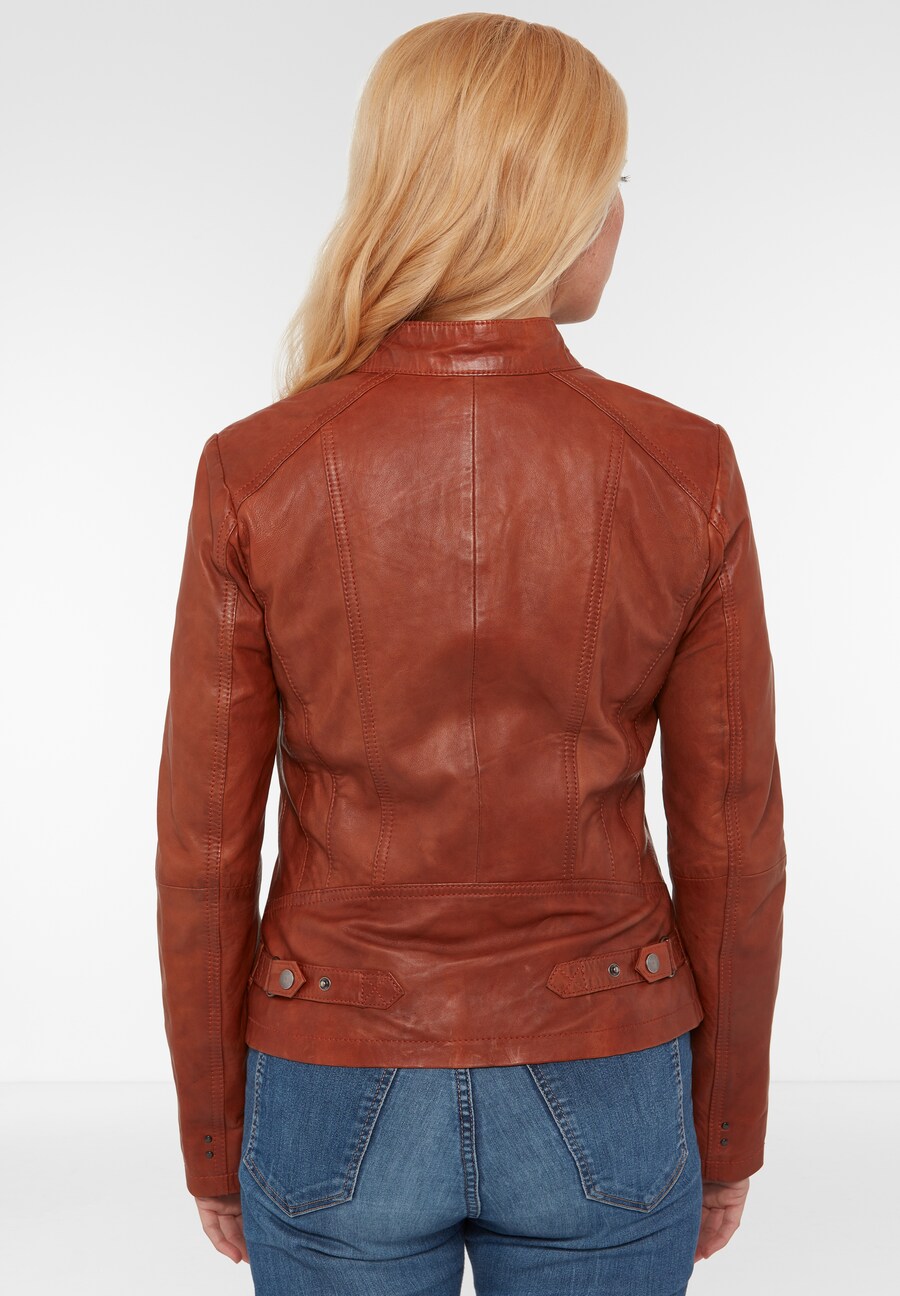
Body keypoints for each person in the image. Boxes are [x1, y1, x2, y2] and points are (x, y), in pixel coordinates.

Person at [155, 14, 786, 1295]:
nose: (618, 216)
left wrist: (216, 1140)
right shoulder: (684, 467)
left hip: (331, 1072)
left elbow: (204, 849)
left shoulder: (257, 469)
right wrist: (725, 1133)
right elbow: (734, 838)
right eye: (608, 181)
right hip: (608, 1063)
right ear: (550, 204)